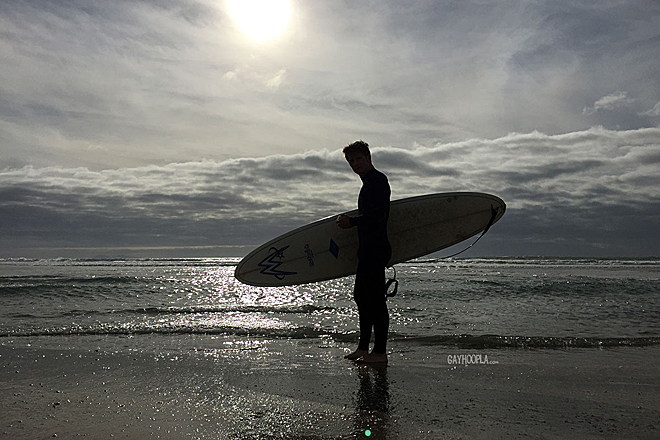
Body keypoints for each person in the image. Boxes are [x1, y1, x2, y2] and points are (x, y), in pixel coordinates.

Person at [337, 140, 392, 364]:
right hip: (367, 249)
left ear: (368, 158)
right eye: (351, 161)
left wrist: (352, 222)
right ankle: (362, 348)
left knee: (376, 300)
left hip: (376, 249)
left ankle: (379, 352)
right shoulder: (368, 183)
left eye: (358, 159)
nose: (355, 164)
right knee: (361, 297)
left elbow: (378, 215)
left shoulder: (378, 181)